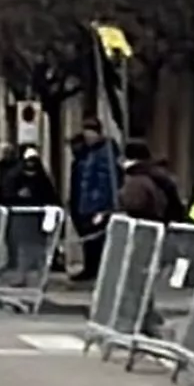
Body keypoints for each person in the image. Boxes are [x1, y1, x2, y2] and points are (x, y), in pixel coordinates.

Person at [0, 147, 60, 284]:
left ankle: (40, 276)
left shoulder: (41, 176)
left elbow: (50, 194)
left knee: (39, 247)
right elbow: (5, 194)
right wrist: (16, 197)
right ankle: (22, 275)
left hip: (38, 218)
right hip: (20, 216)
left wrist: (53, 210)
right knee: (22, 248)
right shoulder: (14, 176)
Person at [69, 119, 120, 282]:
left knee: (97, 239)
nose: (88, 137)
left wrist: (102, 205)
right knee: (88, 239)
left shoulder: (105, 153)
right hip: (83, 204)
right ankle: (90, 268)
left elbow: (106, 180)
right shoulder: (87, 153)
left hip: (96, 205)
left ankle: (98, 270)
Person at [121, 140, 186, 224]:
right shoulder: (159, 174)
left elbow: (135, 208)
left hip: (147, 228)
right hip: (166, 224)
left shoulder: (136, 179)